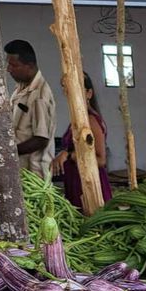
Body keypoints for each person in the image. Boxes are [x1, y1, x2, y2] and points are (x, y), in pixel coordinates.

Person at [51, 72, 113, 208]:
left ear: (89, 93)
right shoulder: (77, 120)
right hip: (76, 183)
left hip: (89, 187)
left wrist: (70, 155)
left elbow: (101, 160)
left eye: (75, 88)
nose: (67, 92)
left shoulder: (91, 120)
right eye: (65, 87)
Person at [5, 39, 56, 178]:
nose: (8, 69)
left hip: (34, 172)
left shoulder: (40, 94)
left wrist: (9, 152)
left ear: (30, 66)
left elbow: (41, 139)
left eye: (13, 65)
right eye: (8, 64)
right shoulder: (20, 88)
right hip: (20, 169)